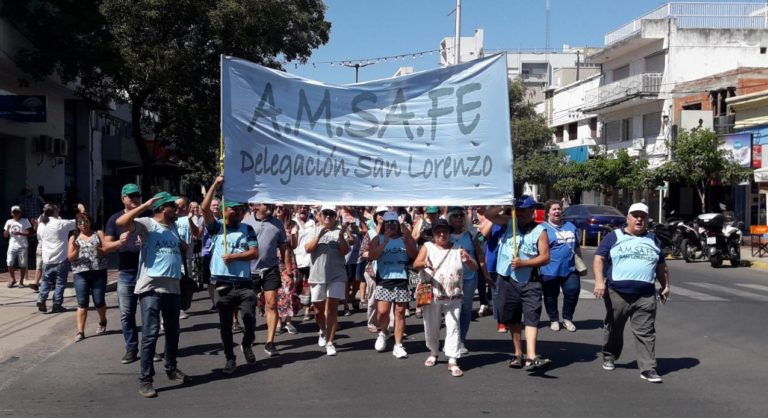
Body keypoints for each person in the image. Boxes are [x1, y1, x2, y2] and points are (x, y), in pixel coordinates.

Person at [117, 192, 190, 398]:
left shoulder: (174, 227)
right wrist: (146, 204)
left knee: (173, 332)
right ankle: (146, 379)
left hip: (173, 287)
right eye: (173, 207)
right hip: (151, 288)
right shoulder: (147, 224)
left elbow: (180, 248)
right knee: (150, 334)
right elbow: (123, 222)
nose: (177, 210)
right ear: (162, 208)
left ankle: (171, 368)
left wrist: (182, 246)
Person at [593, 202, 670, 383]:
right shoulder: (614, 236)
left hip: (646, 294)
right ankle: (610, 355)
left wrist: (666, 285)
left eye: (642, 216)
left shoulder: (653, 239)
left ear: (647, 220)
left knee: (646, 331)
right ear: (628, 218)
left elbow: (661, 266)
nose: (639, 219)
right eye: (635, 216)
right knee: (614, 327)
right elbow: (599, 258)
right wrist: (598, 282)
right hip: (617, 292)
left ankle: (648, 368)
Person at [202, 176, 259, 375]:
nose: (239, 213)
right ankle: (230, 358)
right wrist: (215, 185)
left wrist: (234, 256)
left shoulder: (247, 229)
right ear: (227, 210)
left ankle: (247, 343)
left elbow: (254, 253)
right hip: (222, 282)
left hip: (244, 283)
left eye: (241, 210)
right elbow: (204, 209)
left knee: (250, 318)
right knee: (225, 325)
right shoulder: (217, 227)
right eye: (235, 210)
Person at [486, 196, 551, 370]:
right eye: (519, 209)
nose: (521, 213)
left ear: (532, 211)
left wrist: (525, 263)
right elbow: (489, 214)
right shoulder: (509, 223)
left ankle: (531, 356)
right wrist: (504, 203)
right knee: (513, 318)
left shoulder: (540, 230)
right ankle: (517, 354)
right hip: (507, 279)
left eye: (525, 209)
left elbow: (545, 257)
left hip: (530, 280)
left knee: (531, 316)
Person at [413, 219, 478, 377]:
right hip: (433, 293)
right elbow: (416, 264)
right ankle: (434, 352)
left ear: (449, 233)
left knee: (453, 326)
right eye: (438, 231)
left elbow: (474, 267)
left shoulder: (458, 249)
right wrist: (426, 265)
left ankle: (452, 359)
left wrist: (468, 258)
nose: (442, 234)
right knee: (432, 326)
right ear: (433, 233)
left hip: (453, 294)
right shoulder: (428, 247)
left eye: (445, 231)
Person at [243, 203, 294, 357]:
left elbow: (285, 250)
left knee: (272, 304)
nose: (271, 205)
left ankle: (270, 342)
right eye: (266, 203)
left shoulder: (278, 224)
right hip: (250, 271)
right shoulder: (246, 223)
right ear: (256, 206)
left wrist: (289, 272)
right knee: (249, 307)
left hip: (271, 269)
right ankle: (249, 335)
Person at [367, 211, 418, 358]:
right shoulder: (378, 238)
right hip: (384, 279)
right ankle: (383, 332)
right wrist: (385, 242)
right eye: (388, 223)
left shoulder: (405, 238)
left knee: (400, 313)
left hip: (402, 278)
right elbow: (372, 256)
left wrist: (408, 240)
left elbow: (414, 255)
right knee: (382, 312)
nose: (391, 226)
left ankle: (398, 344)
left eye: (394, 223)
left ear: (398, 224)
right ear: (384, 225)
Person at [105, 183, 145, 364]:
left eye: (137, 195)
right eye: (131, 196)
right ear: (123, 199)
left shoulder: (148, 217)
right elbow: (106, 246)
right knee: (127, 314)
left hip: (147, 272)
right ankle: (131, 348)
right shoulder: (115, 219)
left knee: (149, 313)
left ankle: (148, 348)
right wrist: (119, 243)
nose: (135, 198)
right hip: (126, 273)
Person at [304, 205, 351, 356]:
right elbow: (307, 249)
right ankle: (322, 330)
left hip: (336, 274)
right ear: (320, 215)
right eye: (326, 214)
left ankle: (330, 342)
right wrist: (319, 236)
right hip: (317, 275)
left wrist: (342, 236)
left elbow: (345, 251)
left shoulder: (340, 231)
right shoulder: (314, 230)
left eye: (331, 214)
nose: (328, 217)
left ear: (335, 216)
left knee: (332, 309)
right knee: (318, 310)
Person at [447, 206, 491, 355]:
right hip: (450, 280)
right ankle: (452, 339)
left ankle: (461, 340)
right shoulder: (444, 235)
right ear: (449, 218)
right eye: (455, 215)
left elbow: (480, 255)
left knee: (466, 310)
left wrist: (486, 275)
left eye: (461, 215)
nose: (459, 218)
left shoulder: (472, 234)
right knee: (453, 310)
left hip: (469, 278)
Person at [68, 212, 116, 342]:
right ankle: (80, 331)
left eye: (85, 221)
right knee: (82, 303)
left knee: (99, 301)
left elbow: (106, 251)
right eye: (80, 223)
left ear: (90, 221)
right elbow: (70, 258)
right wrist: (77, 250)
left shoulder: (98, 234)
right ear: (77, 225)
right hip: (80, 273)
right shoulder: (74, 238)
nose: (83, 225)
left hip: (98, 272)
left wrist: (99, 250)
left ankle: (102, 321)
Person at [540, 200, 582, 332]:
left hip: (570, 269)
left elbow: (577, 246)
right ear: (547, 213)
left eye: (559, 209)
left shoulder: (571, 226)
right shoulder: (542, 228)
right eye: (554, 209)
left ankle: (567, 318)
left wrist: (579, 261)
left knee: (573, 292)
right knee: (551, 296)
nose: (557, 211)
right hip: (549, 270)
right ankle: (553, 319)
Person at [36, 203, 85, 313]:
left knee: (46, 281)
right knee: (60, 283)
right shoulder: (60, 223)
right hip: (61, 259)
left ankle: (41, 298)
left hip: (47, 259)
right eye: (57, 210)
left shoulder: (42, 225)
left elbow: (39, 238)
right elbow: (80, 221)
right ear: (54, 212)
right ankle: (57, 304)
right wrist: (82, 210)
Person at [175, 196, 200, 320]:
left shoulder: (191, 219)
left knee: (184, 284)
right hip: (173, 260)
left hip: (186, 259)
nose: (180, 208)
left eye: (183, 205)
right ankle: (174, 309)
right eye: (178, 205)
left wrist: (190, 220)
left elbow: (197, 234)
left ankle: (181, 307)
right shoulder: (170, 219)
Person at [4, 205, 32, 287]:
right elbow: (5, 236)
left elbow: (28, 233)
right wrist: (7, 229)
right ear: (12, 213)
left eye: (18, 212)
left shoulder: (25, 221)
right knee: (9, 262)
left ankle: (21, 281)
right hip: (12, 245)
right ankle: (13, 279)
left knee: (22, 264)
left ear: (20, 213)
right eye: (14, 212)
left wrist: (19, 233)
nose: (16, 214)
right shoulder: (9, 221)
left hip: (22, 246)